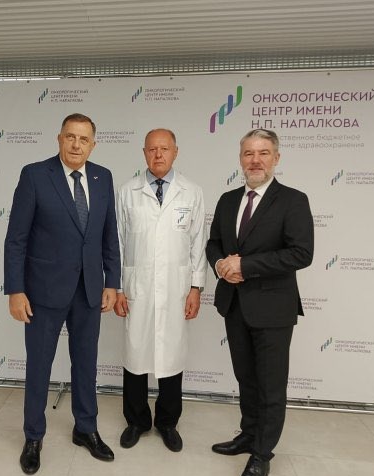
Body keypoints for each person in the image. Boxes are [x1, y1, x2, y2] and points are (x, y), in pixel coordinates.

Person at [4, 113, 121, 474]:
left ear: (93, 144)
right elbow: (16, 239)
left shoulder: (103, 177)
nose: (76, 144)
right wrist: (16, 290)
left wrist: (112, 282)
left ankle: (85, 428)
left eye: (83, 139)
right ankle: (33, 436)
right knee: (39, 366)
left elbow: (109, 235)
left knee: (86, 365)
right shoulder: (35, 175)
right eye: (70, 137)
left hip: (89, 290)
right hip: (43, 291)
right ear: (59, 138)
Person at [206, 129, 314, 476]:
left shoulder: (293, 200)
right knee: (246, 378)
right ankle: (249, 434)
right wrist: (221, 265)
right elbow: (214, 243)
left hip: (273, 309)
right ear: (240, 159)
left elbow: (301, 253)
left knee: (270, 384)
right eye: (249, 153)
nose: (255, 160)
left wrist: (245, 266)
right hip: (235, 304)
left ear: (276, 158)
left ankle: (262, 453)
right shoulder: (227, 200)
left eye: (263, 153)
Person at [114, 128, 207, 452]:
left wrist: (196, 288)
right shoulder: (128, 191)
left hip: (176, 290)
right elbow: (118, 243)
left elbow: (198, 243)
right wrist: (118, 288)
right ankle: (137, 421)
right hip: (136, 288)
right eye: (152, 149)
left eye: (164, 149)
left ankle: (167, 422)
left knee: (171, 356)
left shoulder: (192, 192)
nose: (158, 154)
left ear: (175, 152)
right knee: (135, 355)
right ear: (144, 153)